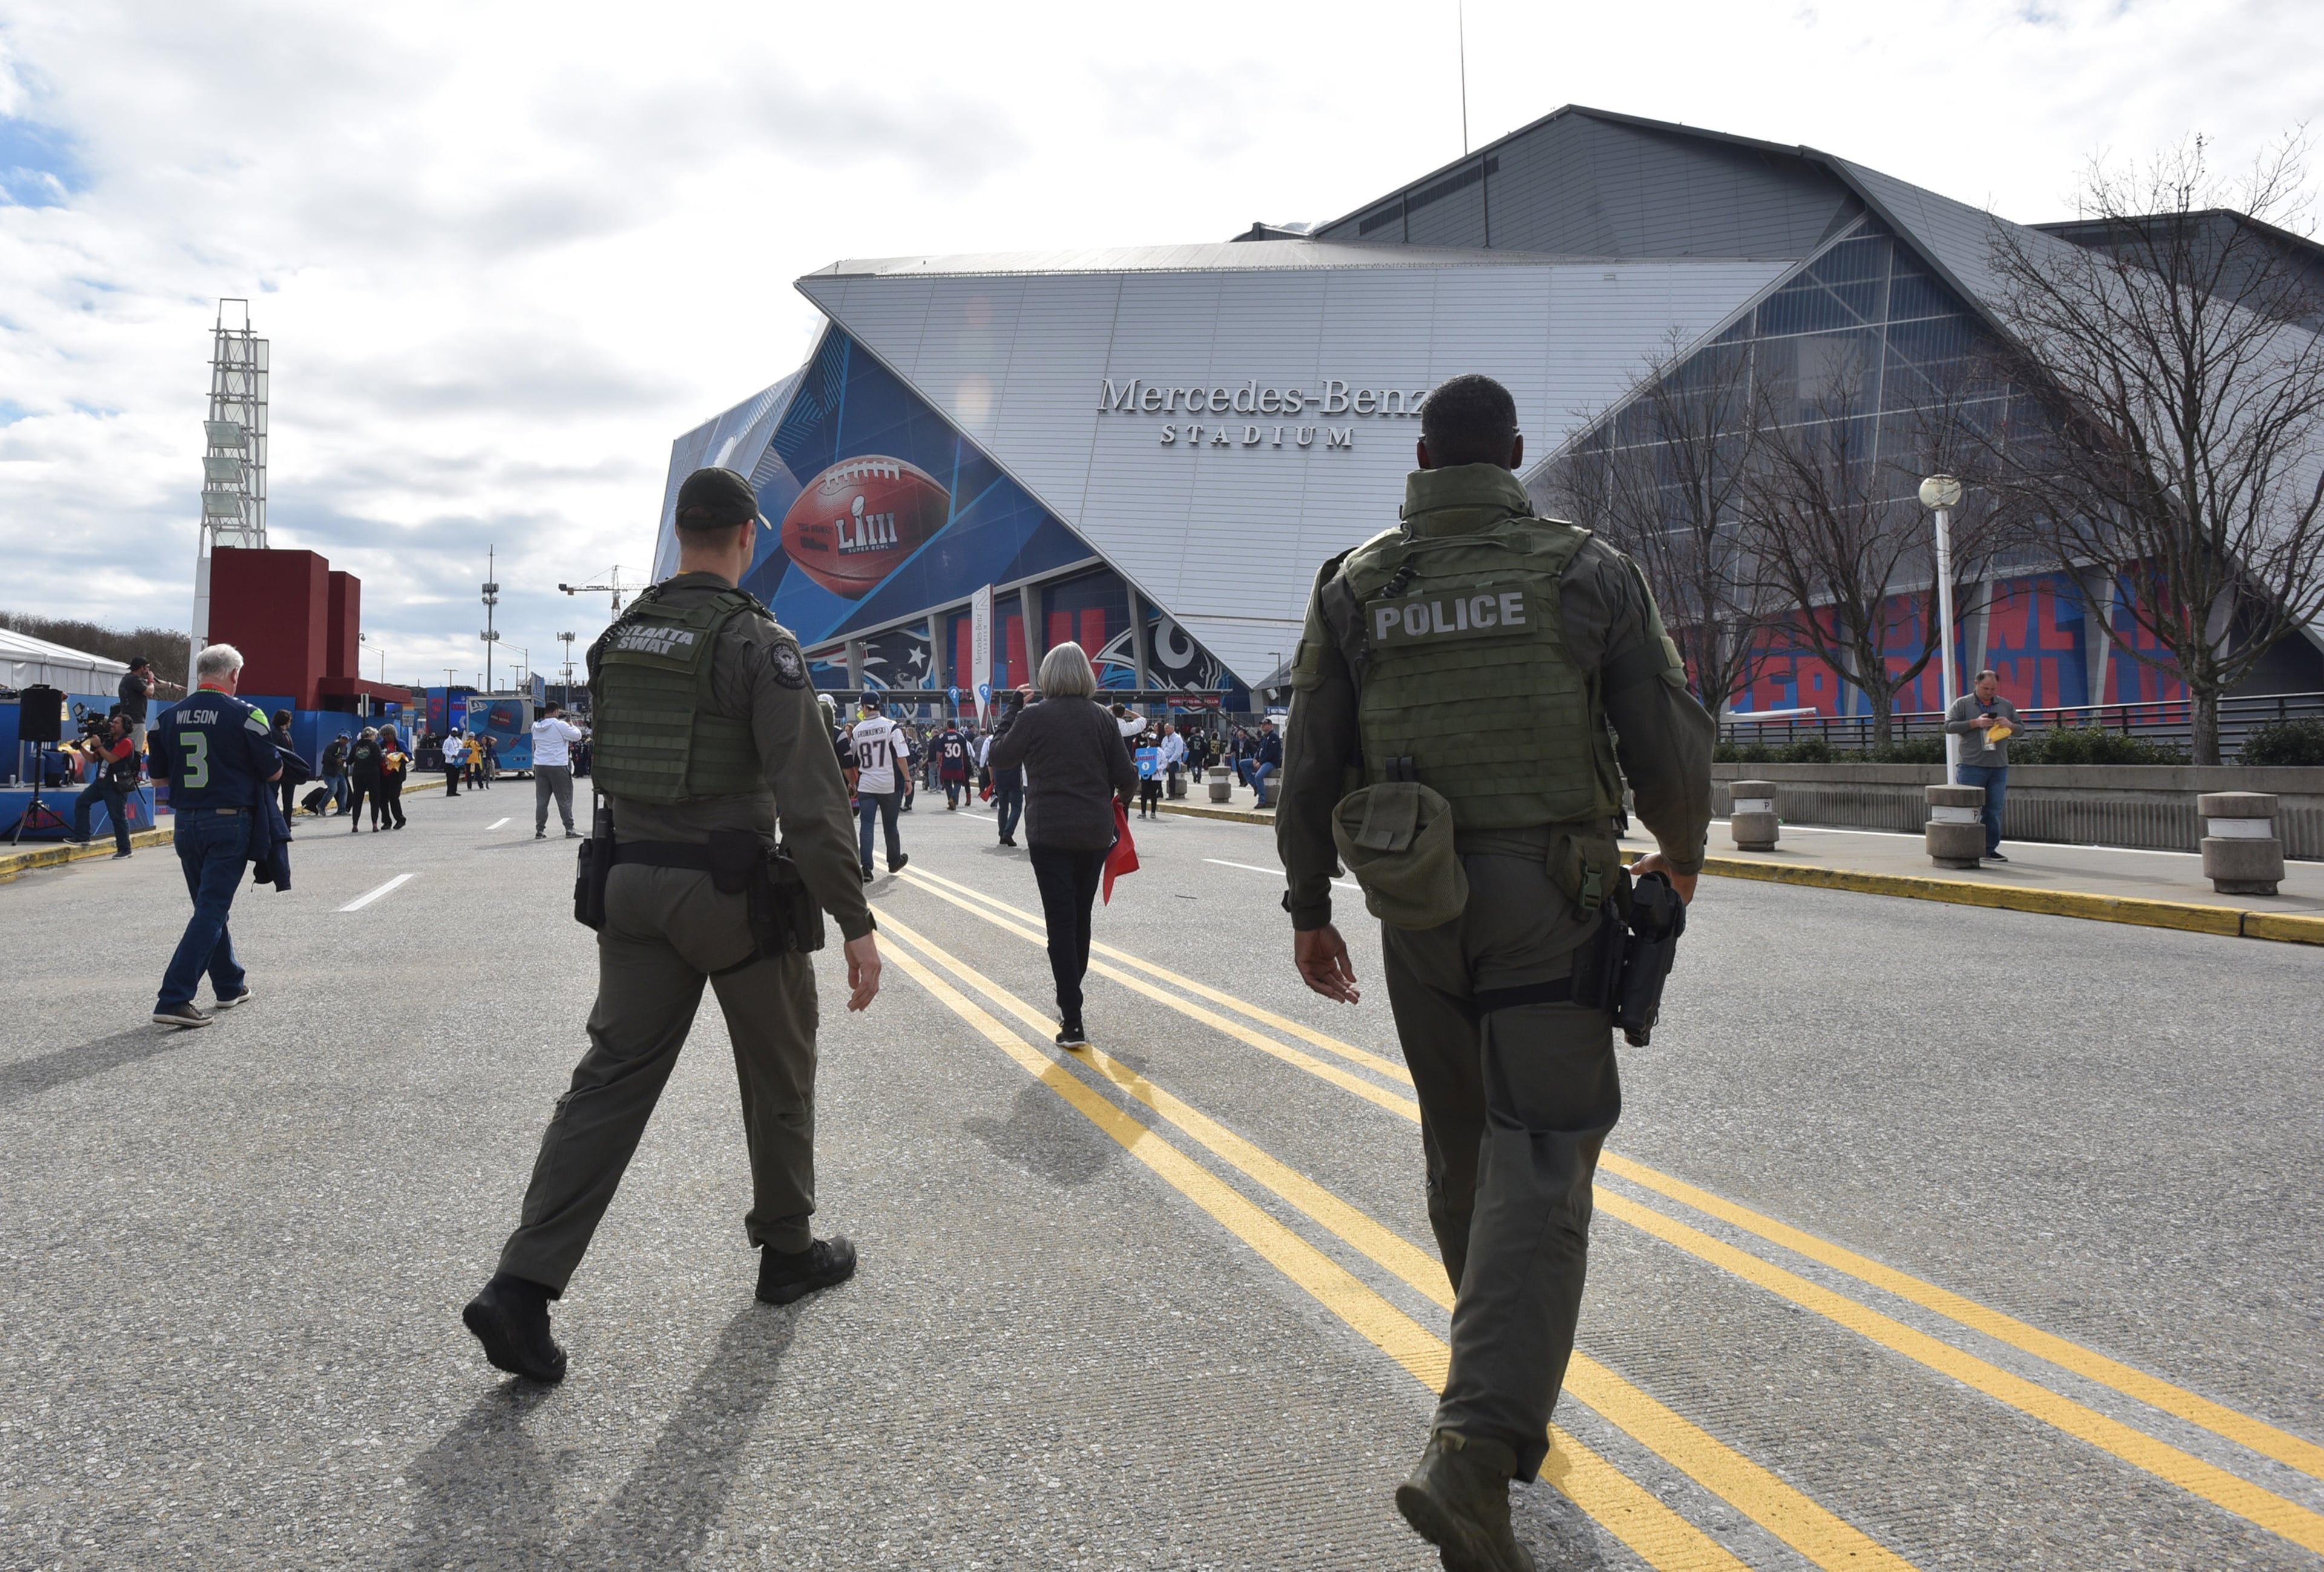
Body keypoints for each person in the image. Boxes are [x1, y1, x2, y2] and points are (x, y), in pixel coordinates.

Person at [1275, 373, 1712, 1571]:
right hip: (1550, 899)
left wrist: (1310, 907)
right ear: (1513, 453)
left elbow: (1308, 761)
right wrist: (1679, 854)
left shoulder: (1358, 584)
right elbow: (1663, 734)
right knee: (1543, 1149)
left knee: (1463, 1143)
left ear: (1422, 456)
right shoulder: (1585, 571)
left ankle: (1495, 1372)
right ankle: (1474, 1448)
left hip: (1416, 904)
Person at [463, 465, 882, 1384]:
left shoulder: (619, 636)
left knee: (607, 1082)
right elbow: (810, 798)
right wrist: (855, 918)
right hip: (730, 891)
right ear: (745, 536)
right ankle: (787, 1250)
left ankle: (521, 1285)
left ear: (681, 533)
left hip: (630, 883)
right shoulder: (755, 642)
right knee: (779, 1063)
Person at [986, 643, 1140, 1049]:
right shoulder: (1104, 719)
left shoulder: (1034, 716)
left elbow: (1001, 756)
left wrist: (1012, 709)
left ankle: (1072, 1016)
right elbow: (1128, 776)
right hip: (1093, 831)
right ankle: (1071, 998)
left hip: (1048, 832)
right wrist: (1116, 804)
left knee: (1060, 920)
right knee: (1081, 916)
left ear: (1048, 677)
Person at [147, 644, 283, 1029]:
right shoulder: (248, 714)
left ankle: (229, 985)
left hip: (186, 822)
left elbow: (158, 779)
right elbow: (273, 772)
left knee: (209, 908)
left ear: (200, 673)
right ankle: (174, 997)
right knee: (212, 909)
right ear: (234, 675)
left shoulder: (167, 718)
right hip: (228, 821)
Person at [1946, 669, 2020, 863]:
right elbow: (1949, 726)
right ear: (1976, 685)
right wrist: (1975, 723)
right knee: (1968, 809)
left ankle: (1989, 849)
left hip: (1998, 765)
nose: (1990, 692)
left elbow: (2021, 729)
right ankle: (1964, 848)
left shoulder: (2005, 705)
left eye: (1993, 689)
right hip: (1971, 765)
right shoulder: (1962, 704)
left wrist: (2010, 725)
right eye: (1986, 688)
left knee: (1994, 810)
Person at [849, 700, 908, 882]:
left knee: (866, 826)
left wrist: (852, 783)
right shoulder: (891, 727)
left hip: (866, 783)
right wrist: (907, 779)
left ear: (865, 708)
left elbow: (852, 758)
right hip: (888, 784)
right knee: (890, 826)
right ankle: (894, 861)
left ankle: (866, 868)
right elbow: (901, 756)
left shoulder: (857, 730)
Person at [71, 713, 140, 858]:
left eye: (116, 723)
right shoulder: (108, 741)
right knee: (82, 802)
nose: (112, 725)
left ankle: (125, 849)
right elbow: (93, 759)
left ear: (125, 727)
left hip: (117, 785)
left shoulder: (126, 742)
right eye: (112, 722)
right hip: (101, 782)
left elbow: (112, 758)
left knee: (118, 817)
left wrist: (100, 746)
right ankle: (83, 837)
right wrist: (81, 748)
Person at [532, 702, 584, 839]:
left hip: (540, 765)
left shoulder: (535, 726)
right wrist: (571, 725)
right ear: (556, 711)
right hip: (557, 765)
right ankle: (570, 828)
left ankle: (540, 830)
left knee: (542, 800)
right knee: (564, 799)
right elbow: (578, 736)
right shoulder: (560, 725)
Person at [346, 727, 384, 830]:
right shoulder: (375, 746)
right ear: (371, 735)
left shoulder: (356, 746)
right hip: (372, 774)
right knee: (374, 799)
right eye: (375, 736)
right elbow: (379, 759)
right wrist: (384, 755)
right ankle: (375, 825)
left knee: (357, 799)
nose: (375, 738)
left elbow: (349, 761)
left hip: (358, 774)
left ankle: (355, 825)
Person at [119, 657, 157, 759]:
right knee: (135, 751)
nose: (149, 670)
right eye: (147, 667)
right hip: (136, 720)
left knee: (126, 749)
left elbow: (151, 684)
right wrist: (151, 680)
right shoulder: (134, 680)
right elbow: (150, 692)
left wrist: (171, 685)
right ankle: (132, 771)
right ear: (142, 668)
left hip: (127, 719)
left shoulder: (129, 678)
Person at [376, 724, 410, 830]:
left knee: (394, 797)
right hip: (383, 775)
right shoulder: (380, 745)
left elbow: (408, 756)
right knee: (382, 800)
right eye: (384, 735)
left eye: (388, 734)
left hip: (396, 775)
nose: (386, 737)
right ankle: (386, 821)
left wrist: (398, 759)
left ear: (393, 734)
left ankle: (400, 819)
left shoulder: (400, 744)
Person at [1248, 718, 1282, 808]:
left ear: (1270, 726)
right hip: (1261, 761)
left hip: (1270, 762)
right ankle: (1255, 785)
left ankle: (1262, 800)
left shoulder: (1274, 737)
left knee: (1258, 776)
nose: (1262, 726)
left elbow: (1272, 753)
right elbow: (1259, 749)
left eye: (1265, 724)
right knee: (1242, 764)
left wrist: (1260, 762)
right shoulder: (1264, 737)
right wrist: (1255, 758)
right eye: (1262, 724)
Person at [937, 719, 970, 808]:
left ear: (947, 726)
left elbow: (940, 752)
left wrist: (938, 762)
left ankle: (951, 799)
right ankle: (954, 797)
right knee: (958, 781)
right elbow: (963, 750)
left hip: (946, 763)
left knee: (947, 782)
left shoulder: (943, 737)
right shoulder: (961, 736)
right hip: (957, 762)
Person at [320, 732, 351, 816]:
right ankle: (321, 806)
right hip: (330, 773)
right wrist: (336, 761)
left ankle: (342, 810)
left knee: (344, 791)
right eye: (343, 738)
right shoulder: (333, 746)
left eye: (346, 739)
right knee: (333, 790)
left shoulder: (345, 748)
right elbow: (325, 758)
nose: (344, 740)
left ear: (349, 740)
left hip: (340, 773)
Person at [1134, 729, 1162, 818]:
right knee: (1144, 793)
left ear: (1156, 741)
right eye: (1150, 740)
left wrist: (1158, 769)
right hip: (1146, 775)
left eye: (1152, 740)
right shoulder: (1145, 751)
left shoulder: (1160, 752)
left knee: (1153, 794)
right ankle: (1143, 812)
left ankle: (1153, 812)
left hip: (1155, 776)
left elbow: (1165, 763)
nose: (1151, 742)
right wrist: (1137, 761)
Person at [1158, 722, 1186, 799]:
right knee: (1156, 770)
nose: (1166, 730)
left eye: (1167, 729)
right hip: (1165, 759)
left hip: (1174, 760)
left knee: (1171, 771)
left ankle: (1172, 793)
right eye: (1165, 729)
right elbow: (1162, 750)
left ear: (1172, 729)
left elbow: (1178, 752)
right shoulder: (1165, 739)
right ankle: (1159, 791)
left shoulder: (1178, 738)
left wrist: (1169, 762)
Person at [439, 727, 464, 798]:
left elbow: (461, 750)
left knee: (456, 777)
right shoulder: (448, 741)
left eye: (456, 732)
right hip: (450, 762)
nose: (455, 733)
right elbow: (444, 750)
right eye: (453, 732)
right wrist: (451, 755)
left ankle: (454, 791)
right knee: (450, 778)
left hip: (458, 762)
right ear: (451, 732)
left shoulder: (459, 741)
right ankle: (449, 792)